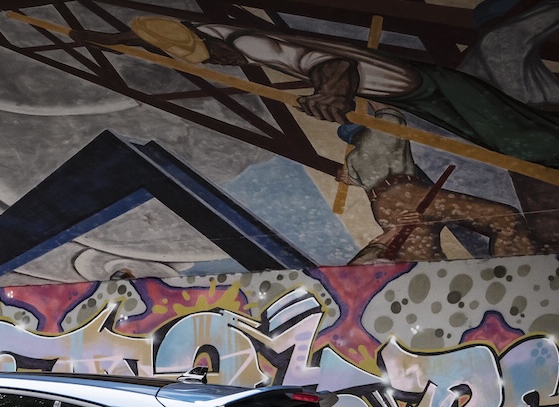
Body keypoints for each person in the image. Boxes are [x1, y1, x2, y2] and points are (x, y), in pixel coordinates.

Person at [75, 17, 559, 167]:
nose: (221, 63)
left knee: (524, 143)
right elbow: (154, 34)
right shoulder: (216, 30)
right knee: (517, 138)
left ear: (212, 46)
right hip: (416, 93)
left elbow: (332, 63)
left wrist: (331, 94)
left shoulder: (249, 42)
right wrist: (108, 39)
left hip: (430, 87)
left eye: (208, 57)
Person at [335, 108, 534, 262]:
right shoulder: (380, 134)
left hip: (383, 206)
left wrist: (346, 177)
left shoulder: (353, 159)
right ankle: (518, 273)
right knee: (506, 220)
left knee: (425, 261)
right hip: (407, 193)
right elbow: (391, 113)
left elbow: (349, 179)